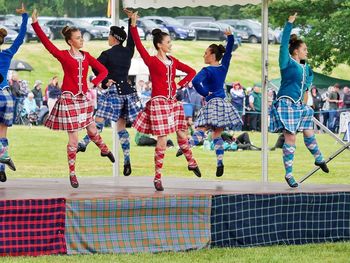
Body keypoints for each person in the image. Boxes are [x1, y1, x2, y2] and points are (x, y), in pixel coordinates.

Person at [32, 9, 114, 188]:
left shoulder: (87, 57)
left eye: (81, 37)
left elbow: (104, 71)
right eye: (78, 38)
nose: (81, 40)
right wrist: (35, 24)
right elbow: (47, 44)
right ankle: (72, 173)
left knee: (92, 130)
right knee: (74, 140)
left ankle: (104, 150)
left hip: (83, 98)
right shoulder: (63, 55)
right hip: (69, 99)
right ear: (70, 41)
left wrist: (94, 84)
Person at [130, 11, 201, 191]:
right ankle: (157, 177)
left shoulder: (173, 61)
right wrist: (133, 25)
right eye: (168, 42)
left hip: (173, 103)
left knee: (182, 135)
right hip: (159, 103)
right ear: (159, 45)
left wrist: (180, 84)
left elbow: (192, 71)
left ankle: (191, 162)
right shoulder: (152, 61)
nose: (171, 45)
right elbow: (138, 45)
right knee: (162, 139)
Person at [77, 9, 139, 177]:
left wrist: (104, 80)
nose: (108, 37)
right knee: (121, 128)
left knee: (98, 121)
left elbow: (94, 66)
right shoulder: (128, 52)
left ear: (114, 38)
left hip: (112, 92)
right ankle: (127, 158)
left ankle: (83, 143)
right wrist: (131, 21)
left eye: (109, 35)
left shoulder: (107, 54)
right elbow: (132, 40)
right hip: (126, 92)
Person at [269, 13, 329, 188]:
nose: (306, 51)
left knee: (309, 131)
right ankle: (289, 174)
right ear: (296, 51)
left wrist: (306, 93)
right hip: (286, 102)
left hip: (298, 105)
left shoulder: (306, 68)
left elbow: (307, 82)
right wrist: (289, 24)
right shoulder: (286, 62)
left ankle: (318, 158)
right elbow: (283, 44)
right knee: (291, 138)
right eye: (304, 49)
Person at [178, 27, 242, 177]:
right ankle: (220, 161)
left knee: (201, 129)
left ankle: (186, 146)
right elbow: (229, 52)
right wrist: (230, 37)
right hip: (223, 103)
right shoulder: (223, 67)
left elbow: (195, 81)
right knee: (216, 135)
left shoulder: (206, 70)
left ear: (213, 55)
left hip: (212, 103)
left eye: (206, 53)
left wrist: (205, 93)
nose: (204, 55)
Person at [0, 4, 27, 182]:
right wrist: (25, 17)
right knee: (2, 133)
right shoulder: (7, 54)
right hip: (6, 96)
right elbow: (20, 37)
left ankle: (3, 158)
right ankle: (2, 166)